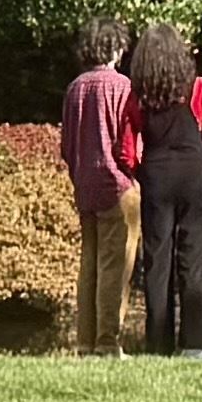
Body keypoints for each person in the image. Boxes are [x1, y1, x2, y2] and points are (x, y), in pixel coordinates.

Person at [123, 21, 202, 358]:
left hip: (156, 178)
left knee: (157, 263)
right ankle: (195, 344)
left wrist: (142, 174)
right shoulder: (197, 87)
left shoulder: (136, 97)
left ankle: (158, 345)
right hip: (196, 175)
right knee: (195, 260)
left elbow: (126, 150)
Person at [54, 20, 137, 356]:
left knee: (88, 262)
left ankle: (85, 341)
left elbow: (66, 144)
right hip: (118, 184)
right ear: (115, 48)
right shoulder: (122, 86)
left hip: (84, 184)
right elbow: (131, 141)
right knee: (115, 265)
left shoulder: (75, 88)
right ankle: (108, 341)